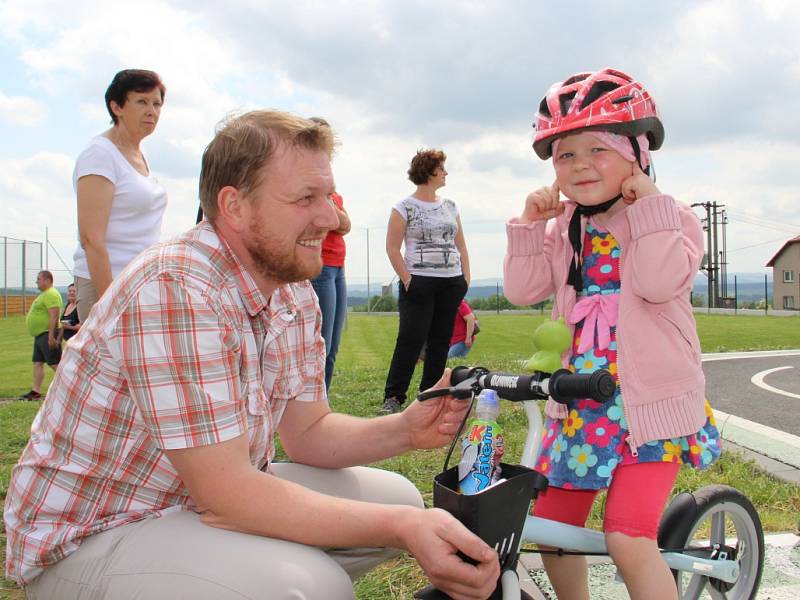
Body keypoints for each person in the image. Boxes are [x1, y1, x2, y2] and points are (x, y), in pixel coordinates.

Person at [4, 111, 499, 600]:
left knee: (397, 498)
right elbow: (228, 498)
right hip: (94, 533)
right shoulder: (177, 286)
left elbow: (306, 434)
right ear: (235, 206)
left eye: (328, 195)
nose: (332, 218)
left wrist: (407, 429)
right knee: (311, 582)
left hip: (188, 505)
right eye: (306, 198)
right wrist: (404, 528)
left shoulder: (291, 289)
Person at [503, 68, 721, 600]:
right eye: (565, 155)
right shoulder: (568, 227)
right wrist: (532, 226)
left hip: (648, 411)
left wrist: (646, 207)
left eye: (595, 150)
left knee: (628, 539)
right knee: (554, 533)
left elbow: (655, 281)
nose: (578, 166)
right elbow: (521, 287)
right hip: (581, 405)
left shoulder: (669, 220)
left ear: (637, 153)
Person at [72, 69, 168, 322]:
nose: (152, 111)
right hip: (107, 286)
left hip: (140, 283)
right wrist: (109, 305)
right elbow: (91, 239)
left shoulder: (140, 153)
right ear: (116, 106)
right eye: (142, 101)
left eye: (157, 103)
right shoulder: (100, 155)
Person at [381, 149, 470, 414]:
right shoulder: (404, 206)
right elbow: (392, 248)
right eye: (441, 168)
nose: (445, 173)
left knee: (441, 339)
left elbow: (461, 246)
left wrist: (465, 278)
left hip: (451, 281)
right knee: (411, 338)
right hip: (419, 282)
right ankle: (394, 397)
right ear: (430, 172)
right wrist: (408, 280)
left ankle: (431, 394)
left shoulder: (450, 206)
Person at [308, 117, 351, 392]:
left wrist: (332, 210)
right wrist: (328, 204)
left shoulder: (332, 192)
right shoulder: (313, 185)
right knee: (320, 342)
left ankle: (324, 398)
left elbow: (345, 225)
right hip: (320, 268)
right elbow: (330, 222)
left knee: (333, 343)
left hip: (338, 268)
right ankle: (314, 402)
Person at [20, 271, 63, 400]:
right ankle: (36, 391)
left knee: (54, 363)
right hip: (40, 335)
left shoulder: (51, 294)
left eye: (39, 279)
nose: (36, 281)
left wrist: (51, 336)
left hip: (47, 334)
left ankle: (71, 387)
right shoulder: (44, 295)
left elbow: (54, 316)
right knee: (38, 363)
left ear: (47, 280)